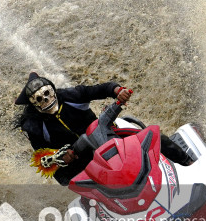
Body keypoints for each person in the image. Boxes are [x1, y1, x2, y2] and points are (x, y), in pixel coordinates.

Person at [13, 72, 194, 185]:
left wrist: (117, 91)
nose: (46, 100)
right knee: (81, 184)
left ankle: (189, 164)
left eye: (47, 94)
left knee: (158, 139)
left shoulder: (71, 96)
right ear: (33, 104)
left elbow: (102, 89)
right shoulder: (33, 126)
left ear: (52, 90)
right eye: (39, 99)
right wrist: (60, 158)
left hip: (108, 138)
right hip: (80, 161)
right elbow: (42, 158)